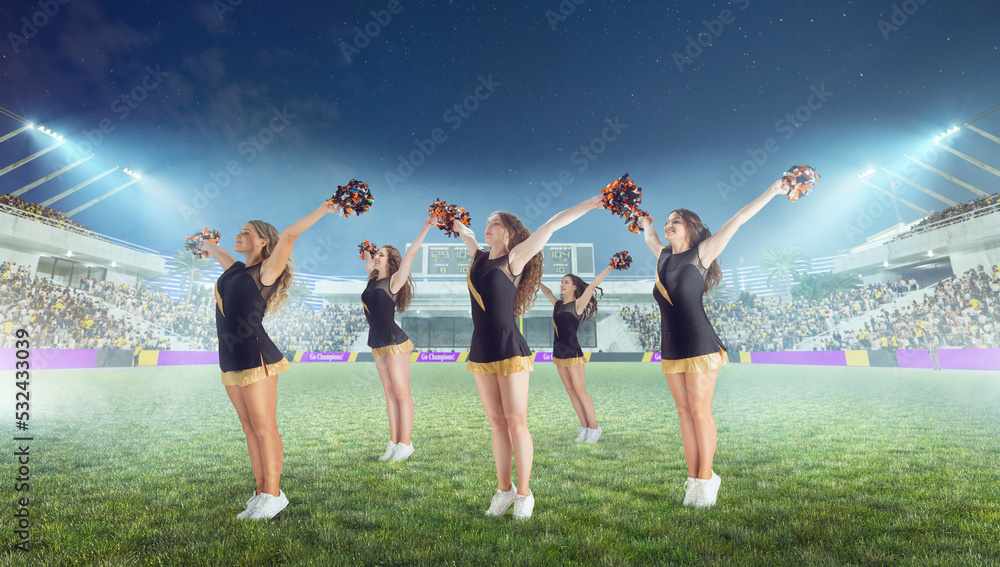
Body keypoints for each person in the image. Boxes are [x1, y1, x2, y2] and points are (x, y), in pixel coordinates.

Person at [638, 177, 789, 508]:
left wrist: (772, 191)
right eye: (667, 222)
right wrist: (640, 216)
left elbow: (739, 218)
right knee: (683, 413)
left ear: (691, 227)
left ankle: (706, 480)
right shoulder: (662, 256)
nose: (668, 226)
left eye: (675, 221)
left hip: (700, 342)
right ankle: (693, 480)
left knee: (700, 410)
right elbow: (648, 232)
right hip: (671, 345)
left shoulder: (701, 253)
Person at [455, 196, 602, 519]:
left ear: (509, 234)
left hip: (509, 347)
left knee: (515, 421)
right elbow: (463, 230)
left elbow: (552, 225)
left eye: (496, 223)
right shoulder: (477, 256)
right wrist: (443, 218)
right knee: (496, 423)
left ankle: (524, 493)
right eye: (488, 222)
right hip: (480, 347)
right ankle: (504, 490)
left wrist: (591, 204)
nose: (488, 227)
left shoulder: (515, 258)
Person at [199, 202, 336, 520]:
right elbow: (218, 253)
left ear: (262, 242)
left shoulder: (266, 271)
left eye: (245, 232)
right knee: (248, 428)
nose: (238, 234)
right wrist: (203, 242)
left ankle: (273, 494)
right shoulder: (235, 270)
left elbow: (289, 234)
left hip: (256, 354)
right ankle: (262, 492)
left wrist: (326, 207)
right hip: (230, 357)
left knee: (263, 427)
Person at [361, 215, 435, 462]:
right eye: (377, 255)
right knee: (389, 394)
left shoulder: (394, 280)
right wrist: (368, 253)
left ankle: (406, 443)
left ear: (391, 262)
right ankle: (393, 442)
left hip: (395, 342)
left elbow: (411, 254)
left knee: (402, 393)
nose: (377, 257)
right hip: (377, 343)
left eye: (382, 254)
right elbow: (367, 258)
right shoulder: (372, 279)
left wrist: (425, 227)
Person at [537, 263, 613, 442]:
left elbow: (593, 284)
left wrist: (608, 268)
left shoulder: (578, 304)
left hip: (573, 353)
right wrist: (534, 279)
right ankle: (584, 428)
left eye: (566, 282)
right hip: (558, 354)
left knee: (580, 391)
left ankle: (594, 428)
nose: (562, 285)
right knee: (570, 391)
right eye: (562, 282)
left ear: (574, 287)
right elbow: (547, 292)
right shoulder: (557, 304)